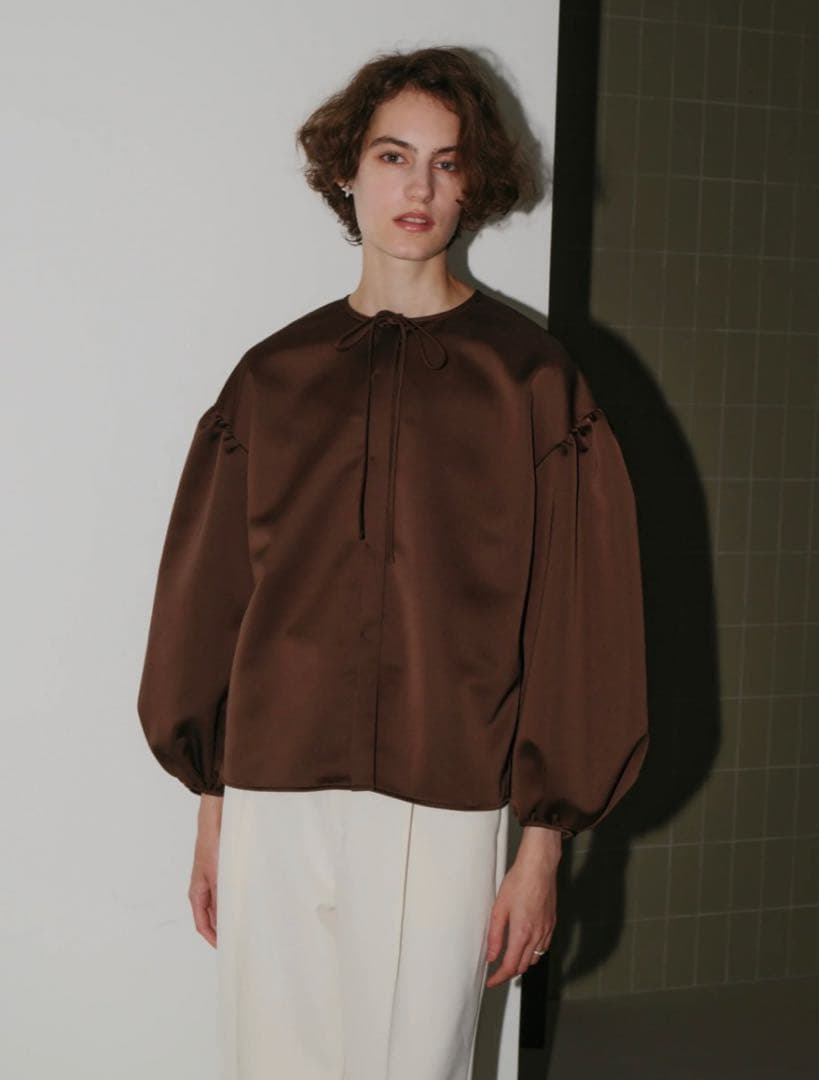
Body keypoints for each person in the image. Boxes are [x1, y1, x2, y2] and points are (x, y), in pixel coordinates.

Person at [137, 45, 649, 1080]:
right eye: (392, 156)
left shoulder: (532, 382)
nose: (418, 188)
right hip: (274, 792)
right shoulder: (272, 379)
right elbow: (211, 603)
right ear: (348, 171)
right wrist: (214, 810)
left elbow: (579, 618)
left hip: (447, 792)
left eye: (446, 163)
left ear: (473, 185)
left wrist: (542, 843)